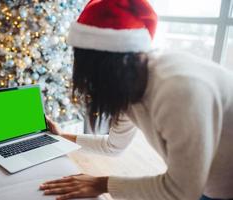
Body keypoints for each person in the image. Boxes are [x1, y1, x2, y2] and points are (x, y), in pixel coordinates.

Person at [39, 0, 233, 200]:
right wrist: (62, 136)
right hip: (203, 185)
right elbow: (113, 146)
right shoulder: (128, 84)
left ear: (100, 67)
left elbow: (180, 191)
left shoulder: (179, 89)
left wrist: (102, 183)